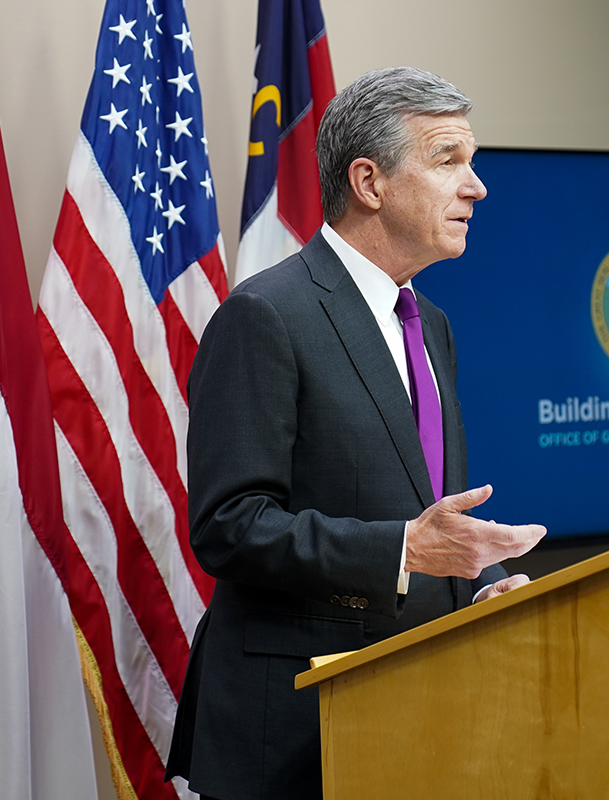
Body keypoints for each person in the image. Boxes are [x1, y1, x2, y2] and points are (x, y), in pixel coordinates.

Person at [164, 67, 547, 800]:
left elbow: (431, 510)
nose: (476, 187)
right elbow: (228, 526)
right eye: (448, 160)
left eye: (473, 163)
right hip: (297, 730)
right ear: (369, 182)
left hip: (416, 715)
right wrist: (402, 549)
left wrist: (483, 587)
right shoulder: (266, 316)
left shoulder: (430, 325)